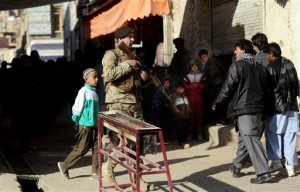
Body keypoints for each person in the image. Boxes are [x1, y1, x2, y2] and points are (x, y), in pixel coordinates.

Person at [101, 26, 154, 191]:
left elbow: (136, 83)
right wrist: (129, 65)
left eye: (133, 36)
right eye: (129, 37)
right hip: (118, 103)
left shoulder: (134, 56)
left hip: (135, 103)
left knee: (138, 143)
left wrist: (144, 78)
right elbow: (109, 74)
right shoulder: (111, 54)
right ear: (118, 39)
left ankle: (139, 179)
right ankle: (108, 167)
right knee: (123, 142)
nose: (132, 39)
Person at [212, 39, 272, 184]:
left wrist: (217, 102)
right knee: (245, 139)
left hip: (245, 108)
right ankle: (237, 165)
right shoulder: (260, 66)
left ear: (243, 50)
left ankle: (263, 172)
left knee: (250, 138)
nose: (234, 52)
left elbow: (228, 86)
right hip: (259, 108)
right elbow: (267, 87)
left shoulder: (237, 65)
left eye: (236, 49)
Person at [57, 68, 100, 180]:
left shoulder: (94, 92)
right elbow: (77, 107)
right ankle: (64, 165)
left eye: (97, 77)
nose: (97, 79)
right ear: (86, 79)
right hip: (85, 125)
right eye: (94, 77)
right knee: (82, 148)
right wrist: (76, 120)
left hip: (95, 125)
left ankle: (95, 172)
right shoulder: (83, 91)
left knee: (97, 148)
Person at [264, 43, 299, 177]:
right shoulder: (289, 63)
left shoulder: (270, 68)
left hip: (277, 108)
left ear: (271, 54)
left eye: (267, 54)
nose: (266, 57)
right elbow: (296, 84)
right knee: (290, 136)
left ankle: (278, 162)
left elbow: (267, 90)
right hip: (291, 106)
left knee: (274, 136)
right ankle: (290, 167)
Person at [183, 62, 205, 141]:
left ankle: (199, 133)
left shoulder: (202, 76)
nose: (195, 68)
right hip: (190, 98)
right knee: (190, 116)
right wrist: (191, 86)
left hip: (199, 98)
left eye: (196, 66)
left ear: (198, 67)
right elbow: (185, 87)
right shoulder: (187, 77)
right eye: (193, 66)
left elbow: (204, 86)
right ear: (190, 67)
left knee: (199, 116)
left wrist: (197, 85)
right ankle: (190, 133)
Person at [151, 76, 173, 142]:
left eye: (167, 83)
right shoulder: (160, 91)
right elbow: (157, 100)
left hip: (169, 110)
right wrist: (163, 104)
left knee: (169, 124)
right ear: (162, 84)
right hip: (162, 111)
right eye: (165, 83)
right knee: (162, 125)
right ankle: (162, 138)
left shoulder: (170, 91)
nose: (166, 85)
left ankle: (168, 137)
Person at [171, 82, 191, 148]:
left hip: (186, 115)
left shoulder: (185, 96)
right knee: (179, 128)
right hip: (179, 116)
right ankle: (180, 140)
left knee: (185, 127)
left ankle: (184, 139)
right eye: (178, 89)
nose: (180, 90)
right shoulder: (174, 96)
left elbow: (188, 104)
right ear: (176, 89)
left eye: (182, 89)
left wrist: (189, 110)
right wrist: (178, 112)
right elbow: (173, 105)